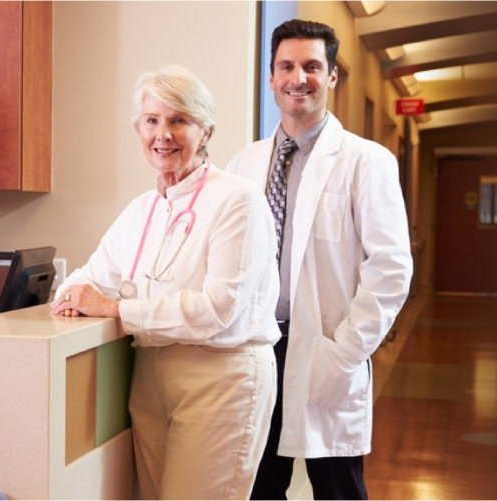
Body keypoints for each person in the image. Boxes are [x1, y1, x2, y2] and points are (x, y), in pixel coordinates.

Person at [50, 65, 281, 500]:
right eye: (152, 121)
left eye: (179, 120)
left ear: (205, 130)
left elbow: (218, 310)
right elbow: (88, 276)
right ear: (139, 129)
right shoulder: (142, 210)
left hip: (221, 378)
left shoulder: (238, 200)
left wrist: (115, 307)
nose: (164, 134)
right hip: (151, 375)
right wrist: (71, 296)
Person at [226, 20, 414, 501]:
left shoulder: (366, 162)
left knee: (338, 489)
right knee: (257, 486)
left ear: (331, 76)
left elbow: (390, 268)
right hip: (257, 347)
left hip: (327, 345)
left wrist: (348, 350)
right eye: (286, 66)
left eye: (312, 66)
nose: (298, 78)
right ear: (271, 77)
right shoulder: (244, 165)